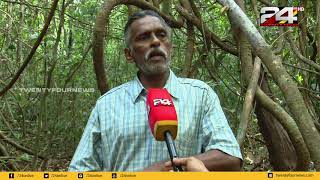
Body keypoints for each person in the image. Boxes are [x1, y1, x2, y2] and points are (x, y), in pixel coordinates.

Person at [69, 10, 242, 171]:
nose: (155, 42)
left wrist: (180, 164)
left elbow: (230, 156)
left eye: (161, 35)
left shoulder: (200, 94)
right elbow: (79, 170)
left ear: (170, 47)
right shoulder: (106, 105)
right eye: (144, 37)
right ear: (129, 54)